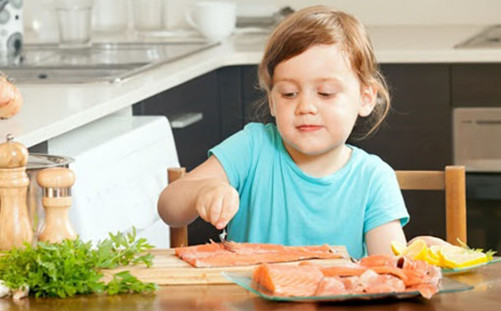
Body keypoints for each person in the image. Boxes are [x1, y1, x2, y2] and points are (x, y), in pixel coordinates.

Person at [158, 5, 410, 259]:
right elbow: (168, 206)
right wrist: (203, 191)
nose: (305, 107)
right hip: (247, 298)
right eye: (289, 94)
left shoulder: (374, 179)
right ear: (272, 101)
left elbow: (392, 269)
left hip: (339, 299)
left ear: (365, 98)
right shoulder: (252, 147)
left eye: (325, 93)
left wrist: (416, 256)